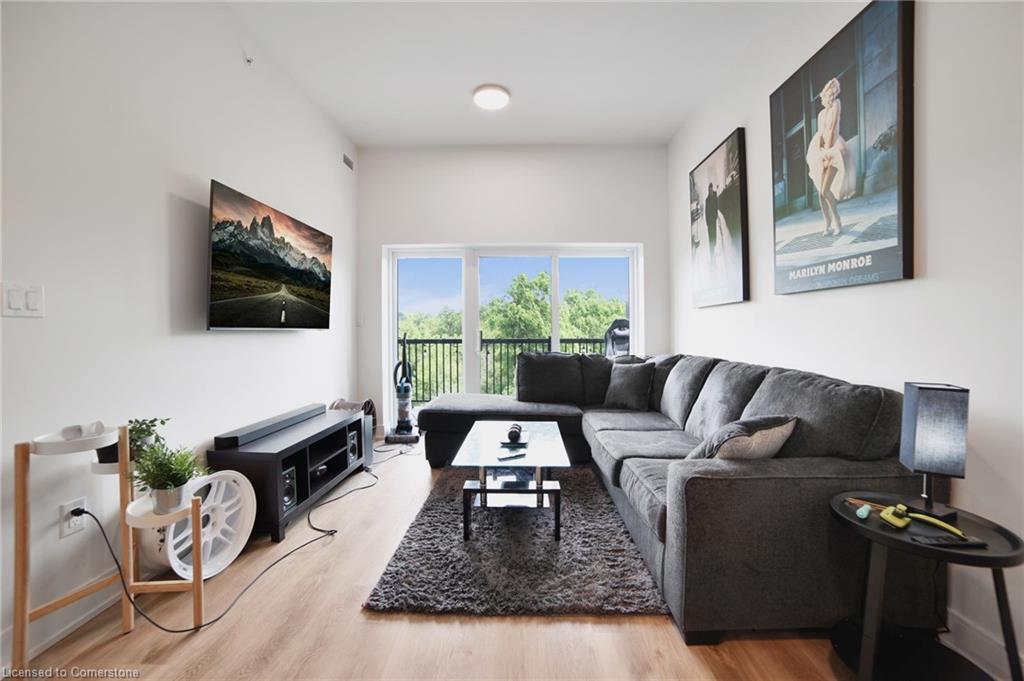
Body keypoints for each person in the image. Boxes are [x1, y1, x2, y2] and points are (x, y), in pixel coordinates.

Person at [806, 77, 855, 236]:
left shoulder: (836, 105)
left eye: (831, 94)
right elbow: (821, 133)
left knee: (825, 189)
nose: (828, 98)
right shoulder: (821, 114)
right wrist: (821, 152)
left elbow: (833, 129)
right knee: (821, 191)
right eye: (826, 95)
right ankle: (827, 222)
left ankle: (837, 220)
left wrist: (827, 153)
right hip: (823, 150)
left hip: (835, 150)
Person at [704, 183, 719, 263]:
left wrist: (716, 216)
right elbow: (706, 212)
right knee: (711, 239)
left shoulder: (715, 197)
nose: (710, 190)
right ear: (708, 190)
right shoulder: (707, 200)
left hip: (713, 220)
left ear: (712, 189)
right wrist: (707, 222)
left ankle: (713, 249)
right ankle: (712, 256)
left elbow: (717, 206)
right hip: (709, 222)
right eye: (709, 189)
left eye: (711, 188)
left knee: (714, 237)